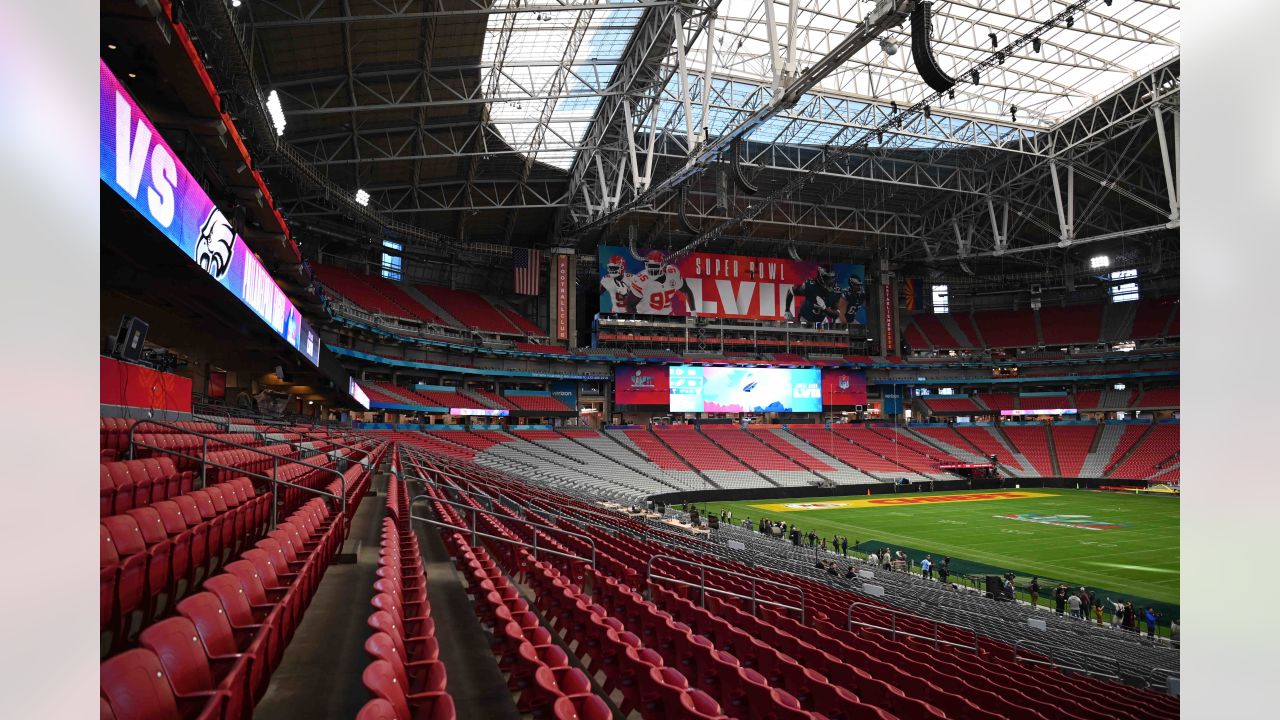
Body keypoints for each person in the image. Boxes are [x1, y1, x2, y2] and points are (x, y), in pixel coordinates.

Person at [626, 250, 697, 316]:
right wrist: (638, 322)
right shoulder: (641, 280)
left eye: (655, 266)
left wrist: (694, 313)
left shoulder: (672, 273)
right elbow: (629, 304)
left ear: (663, 265)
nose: (651, 269)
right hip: (647, 318)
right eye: (650, 266)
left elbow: (686, 291)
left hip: (668, 317)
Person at [784, 263, 842, 327]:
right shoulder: (811, 286)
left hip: (821, 320)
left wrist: (825, 309)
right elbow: (791, 291)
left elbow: (836, 314)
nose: (830, 281)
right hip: (805, 318)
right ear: (821, 276)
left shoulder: (836, 291)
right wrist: (787, 310)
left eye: (832, 278)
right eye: (828, 278)